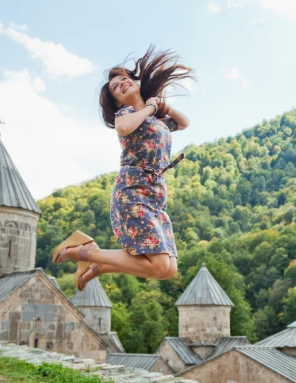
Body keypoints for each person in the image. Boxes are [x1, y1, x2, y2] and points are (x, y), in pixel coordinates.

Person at [53, 46, 195, 290]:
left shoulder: (156, 120)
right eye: (115, 87)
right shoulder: (127, 113)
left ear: (136, 84)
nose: (120, 84)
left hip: (155, 196)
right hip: (133, 192)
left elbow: (184, 123)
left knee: (168, 269)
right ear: (116, 101)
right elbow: (123, 128)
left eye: (125, 79)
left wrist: (162, 106)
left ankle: (98, 266)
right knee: (160, 265)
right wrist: (149, 108)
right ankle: (84, 252)